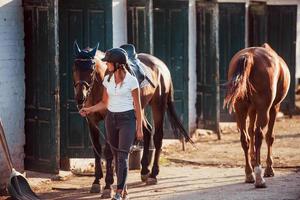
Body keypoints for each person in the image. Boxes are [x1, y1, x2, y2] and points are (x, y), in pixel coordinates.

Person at [79, 48, 143, 200]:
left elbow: (138, 106)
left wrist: (139, 127)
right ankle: (124, 186)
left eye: (108, 63)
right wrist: (89, 109)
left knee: (122, 156)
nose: (106, 65)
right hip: (111, 119)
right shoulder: (107, 80)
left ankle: (119, 193)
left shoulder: (131, 81)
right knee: (115, 155)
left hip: (127, 120)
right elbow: (104, 103)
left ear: (118, 64)